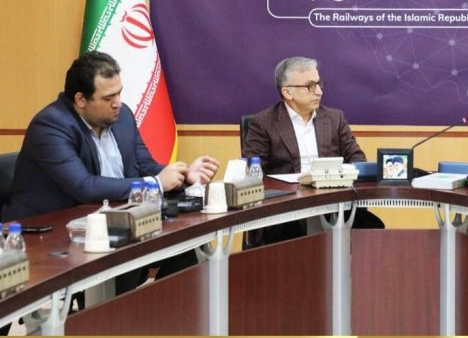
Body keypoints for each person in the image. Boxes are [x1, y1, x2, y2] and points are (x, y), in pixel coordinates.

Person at [2, 51, 219, 295]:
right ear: (81, 99)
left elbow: (145, 166)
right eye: (108, 97)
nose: (117, 103)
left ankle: (156, 316)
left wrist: (183, 175)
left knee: (184, 249)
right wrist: (157, 182)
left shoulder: (122, 117)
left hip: (107, 226)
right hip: (46, 237)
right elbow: (84, 187)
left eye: (119, 93)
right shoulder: (51, 126)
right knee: (122, 264)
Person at [242, 56, 384, 246]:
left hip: (333, 203)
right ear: (287, 92)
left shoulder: (334, 118)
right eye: (310, 86)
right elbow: (253, 172)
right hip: (288, 211)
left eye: (319, 84)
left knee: (373, 227)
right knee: (291, 239)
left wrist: (345, 174)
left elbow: (357, 158)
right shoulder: (264, 123)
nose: (319, 91)